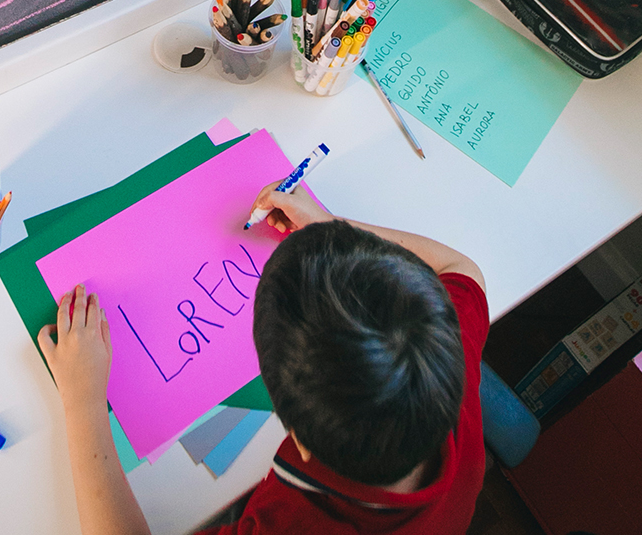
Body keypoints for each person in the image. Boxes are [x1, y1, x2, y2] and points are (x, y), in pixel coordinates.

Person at [37, 181, 489, 535]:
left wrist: (84, 400)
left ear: (298, 438)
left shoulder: (290, 525)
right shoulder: (447, 359)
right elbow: (462, 271)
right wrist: (333, 232)